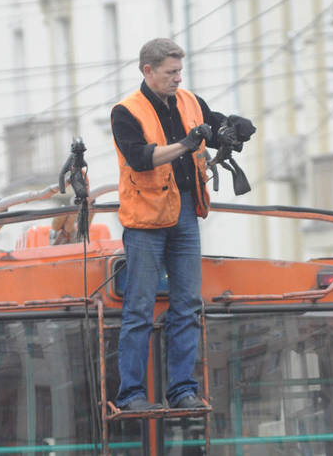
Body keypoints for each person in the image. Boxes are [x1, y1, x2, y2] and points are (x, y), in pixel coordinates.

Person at [111, 38, 254, 411]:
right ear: (148, 71)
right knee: (139, 308)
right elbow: (141, 159)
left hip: (185, 213)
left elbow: (213, 121)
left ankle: (182, 389)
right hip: (146, 221)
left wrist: (234, 126)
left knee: (188, 304)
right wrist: (187, 145)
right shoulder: (125, 112)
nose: (178, 78)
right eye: (170, 72)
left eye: (180, 71)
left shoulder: (189, 100)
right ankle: (131, 395)